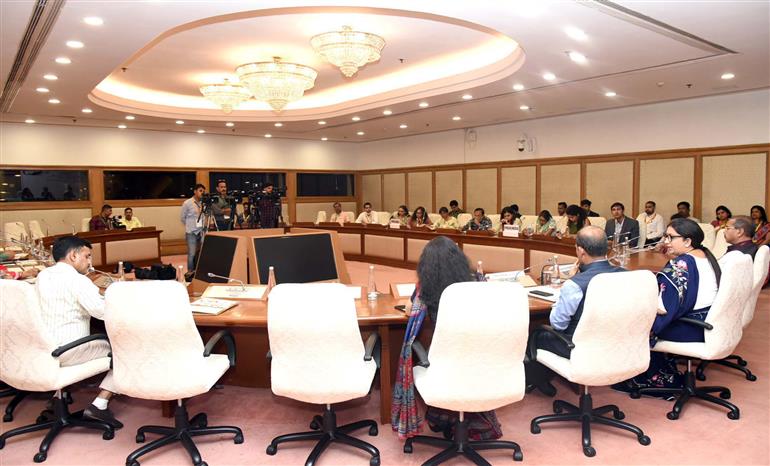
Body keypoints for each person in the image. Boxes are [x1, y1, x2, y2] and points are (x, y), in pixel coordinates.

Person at [392, 236, 502, 440]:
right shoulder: (478, 282)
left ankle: (446, 415)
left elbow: (410, 310)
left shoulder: (424, 290)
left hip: (443, 364)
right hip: (479, 359)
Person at [618, 218, 721, 393]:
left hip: (690, 327)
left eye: (670, 237)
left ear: (687, 241)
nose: (665, 242)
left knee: (631, 321)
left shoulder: (681, 264)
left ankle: (652, 376)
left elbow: (665, 309)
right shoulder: (705, 255)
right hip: (708, 321)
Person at [36, 236, 123, 428]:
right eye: (87, 256)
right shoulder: (78, 281)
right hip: (69, 350)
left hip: (42, 348)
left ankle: (57, 398)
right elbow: (102, 312)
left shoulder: (43, 276)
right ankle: (99, 404)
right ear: (74, 255)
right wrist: (116, 296)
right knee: (125, 350)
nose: (90, 262)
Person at [526, 227, 622, 394]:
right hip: (615, 342)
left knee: (537, 334)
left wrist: (569, 283)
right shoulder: (625, 275)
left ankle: (537, 381)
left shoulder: (575, 285)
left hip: (580, 346)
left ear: (580, 251)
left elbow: (558, 324)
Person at [180, 184, 205, 272]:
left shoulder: (203, 202)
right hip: (191, 232)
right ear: (195, 191)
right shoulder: (187, 203)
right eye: (200, 190)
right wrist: (189, 226)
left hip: (201, 231)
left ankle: (198, 271)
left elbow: (203, 216)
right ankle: (190, 272)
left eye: (203, 191)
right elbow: (182, 218)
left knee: (201, 253)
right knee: (192, 254)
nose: (202, 193)